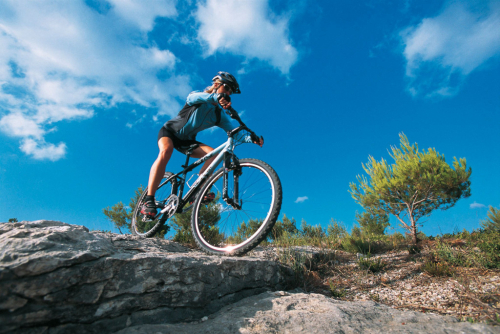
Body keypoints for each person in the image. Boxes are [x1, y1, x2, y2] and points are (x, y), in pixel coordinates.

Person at [141, 71, 264, 218]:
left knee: (214, 154)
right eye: (227, 89)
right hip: (170, 132)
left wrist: (252, 139)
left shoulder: (219, 114)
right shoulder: (199, 97)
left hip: (187, 141)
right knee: (166, 151)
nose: (228, 93)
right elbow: (192, 97)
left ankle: (198, 191)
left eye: (231, 92)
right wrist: (215, 97)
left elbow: (234, 132)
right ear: (217, 85)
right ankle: (149, 200)